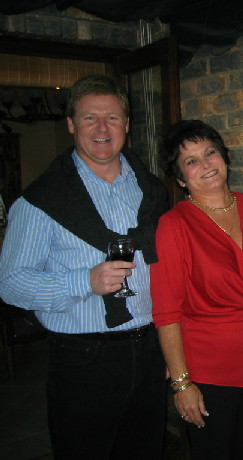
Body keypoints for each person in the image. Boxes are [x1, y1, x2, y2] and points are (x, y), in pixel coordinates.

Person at [0, 74, 169, 459]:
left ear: (127, 125)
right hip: (83, 358)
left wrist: (169, 346)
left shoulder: (151, 191)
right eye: (90, 118)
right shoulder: (40, 201)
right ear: (71, 124)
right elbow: (10, 284)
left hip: (148, 349)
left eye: (112, 118)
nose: (102, 128)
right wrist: (84, 281)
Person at [151, 119, 243, 459]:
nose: (206, 164)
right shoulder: (173, 225)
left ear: (224, 158)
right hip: (207, 367)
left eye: (210, 153)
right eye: (191, 161)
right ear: (181, 178)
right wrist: (181, 383)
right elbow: (166, 311)